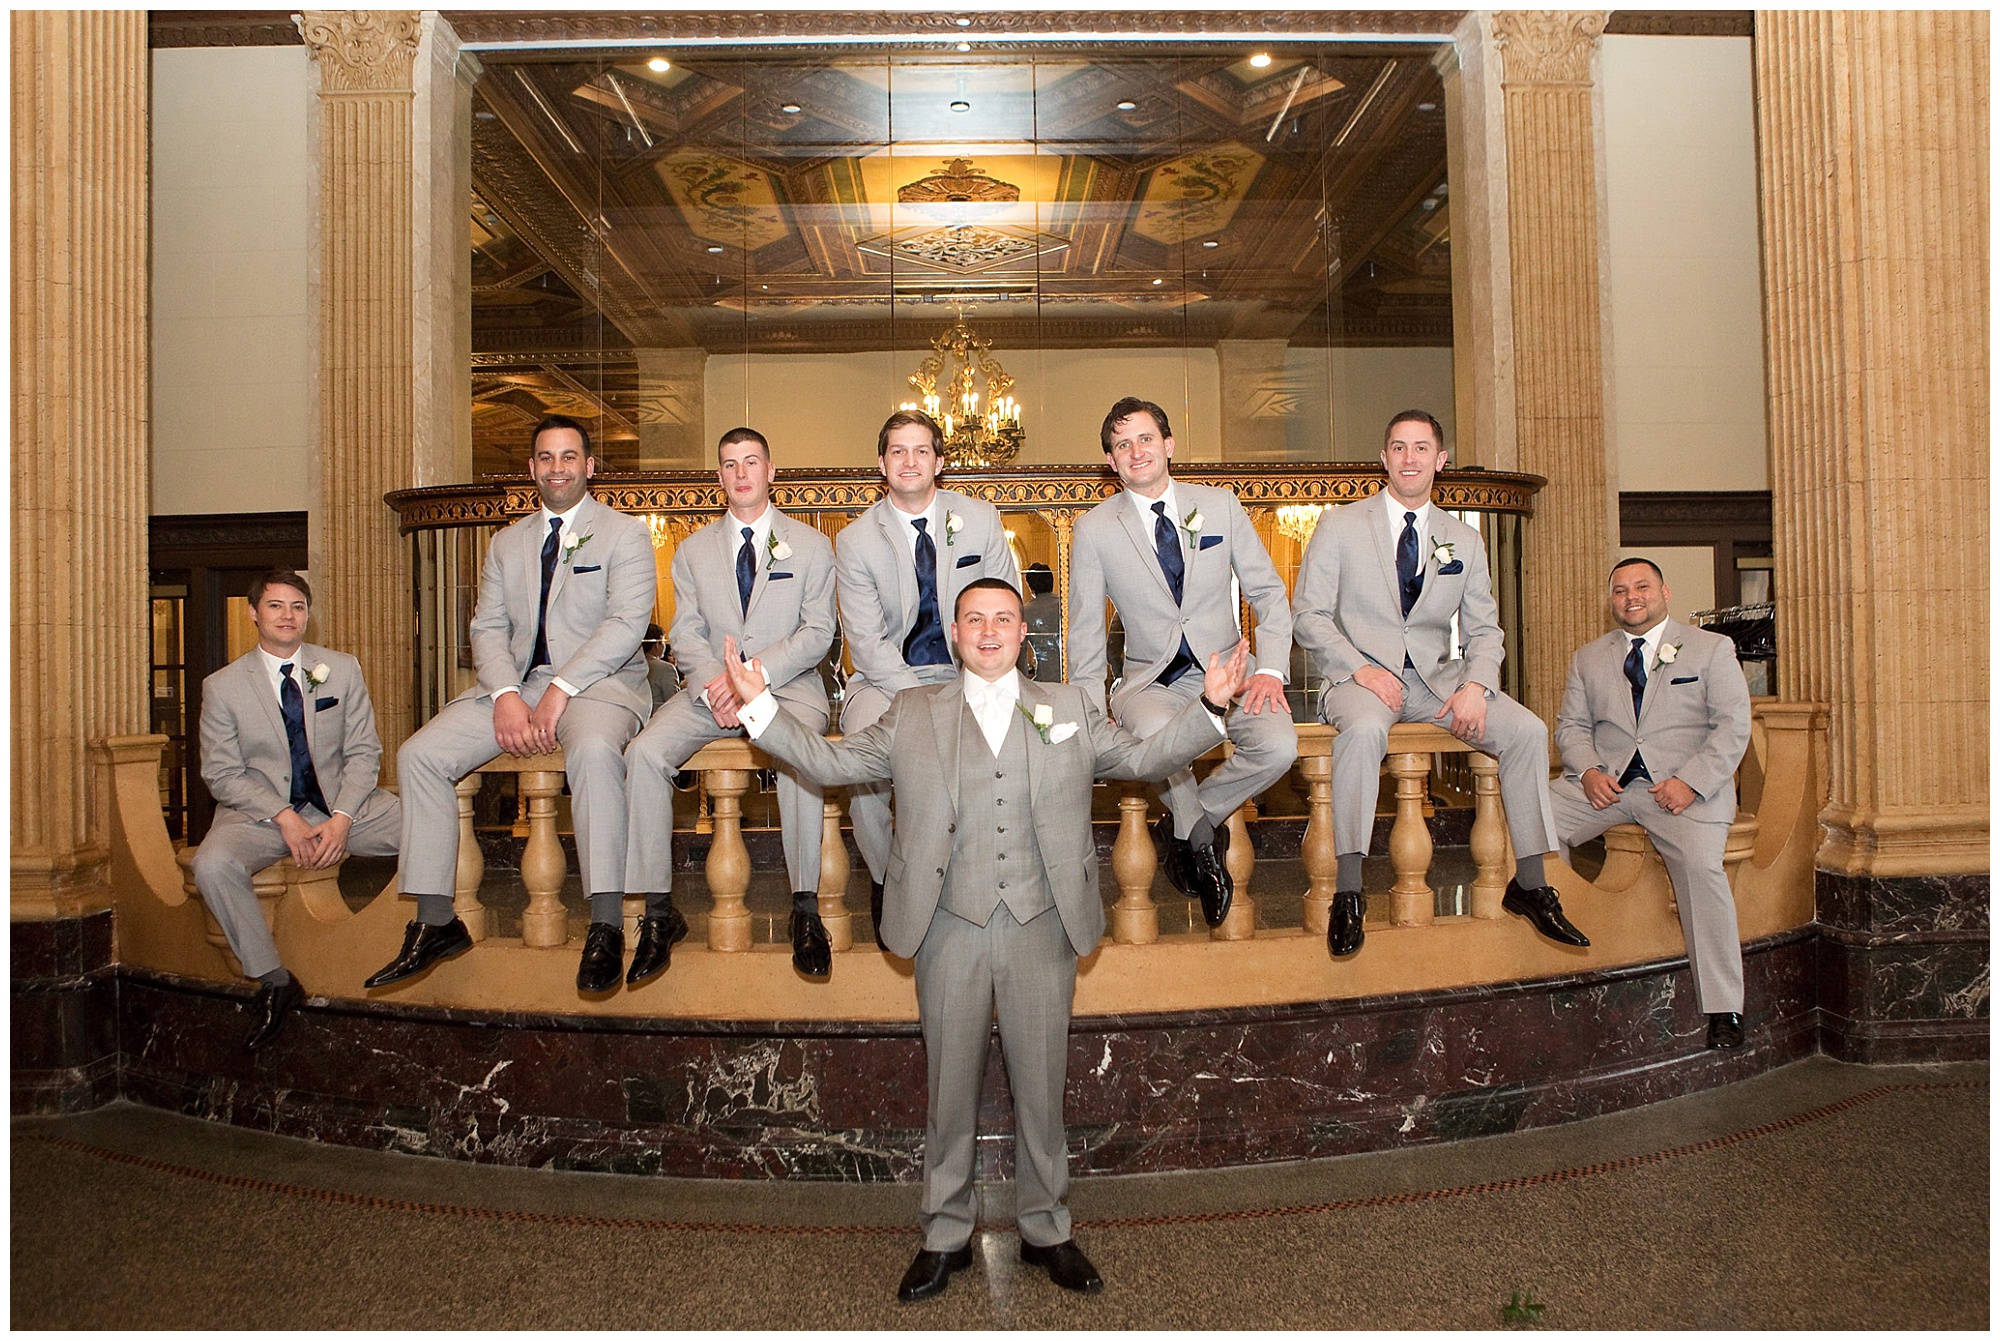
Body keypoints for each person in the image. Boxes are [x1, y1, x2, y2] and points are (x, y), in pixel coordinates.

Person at [721, 578, 1251, 1302]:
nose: (991, 630)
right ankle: (944, 1232)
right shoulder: (911, 712)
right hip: (947, 924)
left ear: (1022, 632)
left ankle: (1048, 1228)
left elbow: (1144, 759)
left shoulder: (1068, 707)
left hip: (1042, 923)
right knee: (949, 1088)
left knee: (1041, 1086)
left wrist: (1211, 704)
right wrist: (759, 703)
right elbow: (833, 765)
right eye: (976, 619)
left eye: (1004, 617)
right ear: (956, 632)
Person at [367, 414, 656, 993]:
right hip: (515, 687)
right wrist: (502, 694)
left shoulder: (625, 535)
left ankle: (603, 925)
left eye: (569, 456)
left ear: (590, 466)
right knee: (419, 754)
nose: (557, 468)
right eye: (546, 458)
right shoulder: (507, 542)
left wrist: (560, 689)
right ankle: (434, 920)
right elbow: (488, 625)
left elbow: (627, 625)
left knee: (596, 752)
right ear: (532, 468)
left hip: (601, 685)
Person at [1292, 409, 1588, 959]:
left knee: (1527, 731)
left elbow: (1485, 630)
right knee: (1360, 735)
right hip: (1360, 678)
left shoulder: (1463, 541)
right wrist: (1360, 668)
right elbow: (1308, 615)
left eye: (1421, 448)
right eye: (1399, 448)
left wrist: (1476, 684)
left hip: (1438, 682)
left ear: (1440, 460)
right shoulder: (1340, 526)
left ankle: (1530, 883)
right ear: (1384, 458)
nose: (1410, 458)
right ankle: (1350, 892)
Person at [1066, 395, 1297, 927]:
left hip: (1232, 673)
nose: (1136, 450)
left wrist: (1269, 669)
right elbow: (1084, 633)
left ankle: (1188, 825)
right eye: (1122, 445)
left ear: (1168, 445)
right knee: (1156, 743)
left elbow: (1269, 594)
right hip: (1150, 683)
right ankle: (1204, 850)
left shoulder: (1220, 507)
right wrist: (1088, 708)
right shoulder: (1095, 529)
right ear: (1111, 462)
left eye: (1146, 438)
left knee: (1280, 746)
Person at [620, 428, 838, 984]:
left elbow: (818, 633)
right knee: (644, 753)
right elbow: (685, 631)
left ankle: (806, 908)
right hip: (710, 691)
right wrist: (718, 683)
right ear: (719, 477)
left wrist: (753, 676)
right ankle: (659, 915)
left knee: (799, 756)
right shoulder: (692, 551)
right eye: (729, 464)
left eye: (751, 462)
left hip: (786, 686)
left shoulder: (812, 546)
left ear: (771, 471)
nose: (740, 473)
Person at [193, 570, 402, 1049]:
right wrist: (285, 819)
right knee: (212, 863)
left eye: (297, 607)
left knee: (432, 830)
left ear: (308, 614)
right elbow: (222, 773)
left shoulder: (341, 668)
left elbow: (364, 752)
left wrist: (344, 820)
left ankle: (425, 933)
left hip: (344, 806)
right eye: (275, 606)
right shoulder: (223, 687)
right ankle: (272, 979)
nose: (288, 616)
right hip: (262, 816)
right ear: (254, 613)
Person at [1553, 557, 1752, 1049]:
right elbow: (1571, 729)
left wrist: (1691, 781)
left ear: (1665, 591)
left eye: (1641, 587)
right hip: (1611, 787)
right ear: (1612, 600)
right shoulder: (1588, 657)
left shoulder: (1711, 649)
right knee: (1530, 816)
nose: (1631, 597)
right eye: (1620, 590)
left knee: (1704, 874)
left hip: (1683, 793)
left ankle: (1724, 1006)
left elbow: (1733, 727)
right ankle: (1557, 935)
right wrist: (1589, 770)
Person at [834, 408, 1017, 935]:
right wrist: (919, 700)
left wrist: (976, 680)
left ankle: (979, 880)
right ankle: (887, 877)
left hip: (971, 672)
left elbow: (1002, 607)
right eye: (897, 451)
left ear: (939, 461)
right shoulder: (856, 540)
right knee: (864, 758)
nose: (909, 461)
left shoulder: (979, 519)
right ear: (881, 463)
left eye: (920, 451)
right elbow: (866, 642)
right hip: (884, 679)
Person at [1019, 561, 1062, 681]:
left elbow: (1021, 653)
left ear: (1030, 586)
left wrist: (1022, 681)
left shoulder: (1026, 612)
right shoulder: (1066, 606)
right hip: (1071, 674)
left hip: (1044, 677)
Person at [641, 624, 680, 712]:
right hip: (658, 718)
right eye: (663, 641)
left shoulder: (630, 666)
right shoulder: (666, 669)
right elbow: (673, 701)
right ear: (657, 644)